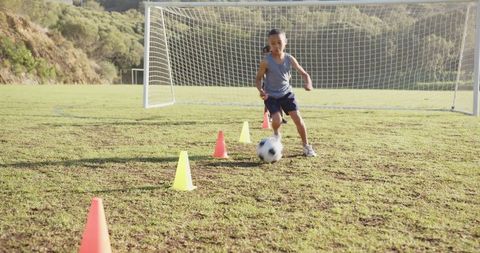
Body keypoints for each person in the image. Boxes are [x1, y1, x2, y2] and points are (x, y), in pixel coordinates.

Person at [255, 29, 316, 157]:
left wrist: (308, 83)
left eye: (279, 42)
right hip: (271, 96)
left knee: (298, 119)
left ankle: (306, 146)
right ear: (269, 44)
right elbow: (258, 78)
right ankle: (276, 134)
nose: (276, 46)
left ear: (285, 42)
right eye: (273, 43)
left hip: (287, 94)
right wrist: (260, 90)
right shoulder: (266, 61)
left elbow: (304, 73)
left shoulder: (289, 58)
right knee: (276, 119)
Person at [262, 45, 287, 124]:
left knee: (280, 101)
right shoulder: (266, 61)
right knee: (267, 101)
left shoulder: (279, 60)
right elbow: (262, 73)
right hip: (268, 84)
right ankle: (267, 117)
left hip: (278, 84)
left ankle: (281, 118)